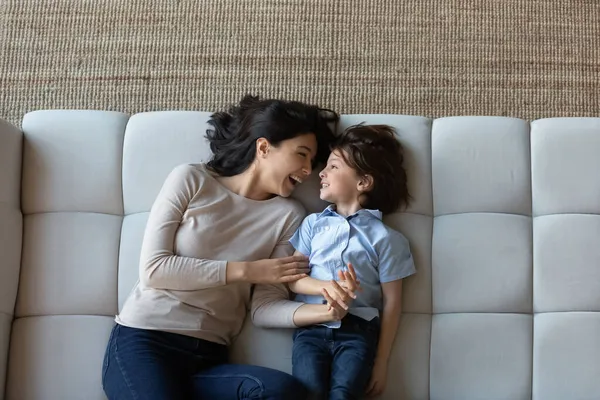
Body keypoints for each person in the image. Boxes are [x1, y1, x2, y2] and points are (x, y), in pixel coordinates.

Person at [101, 94, 357, 400]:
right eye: (301, 154)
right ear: (264, 147)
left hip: (209, 357)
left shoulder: (288, 215)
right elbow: (155, 270)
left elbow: (264, 307)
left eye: (312, 162)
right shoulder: (191, 179)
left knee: (282, 392)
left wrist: (326, 312)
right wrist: (248, 270)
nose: (307, 170)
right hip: (144, 343)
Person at [287, 124, 416, 399]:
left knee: (344, 395)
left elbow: (392, 304)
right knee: (308, 393)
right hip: (311, 328)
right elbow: (294, 277)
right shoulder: (312, 225)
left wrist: (381, 364)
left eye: (333, 166)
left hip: (358, 333)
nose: (320, 172)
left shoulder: (387, 239)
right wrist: (329, 287)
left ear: (363, 183)